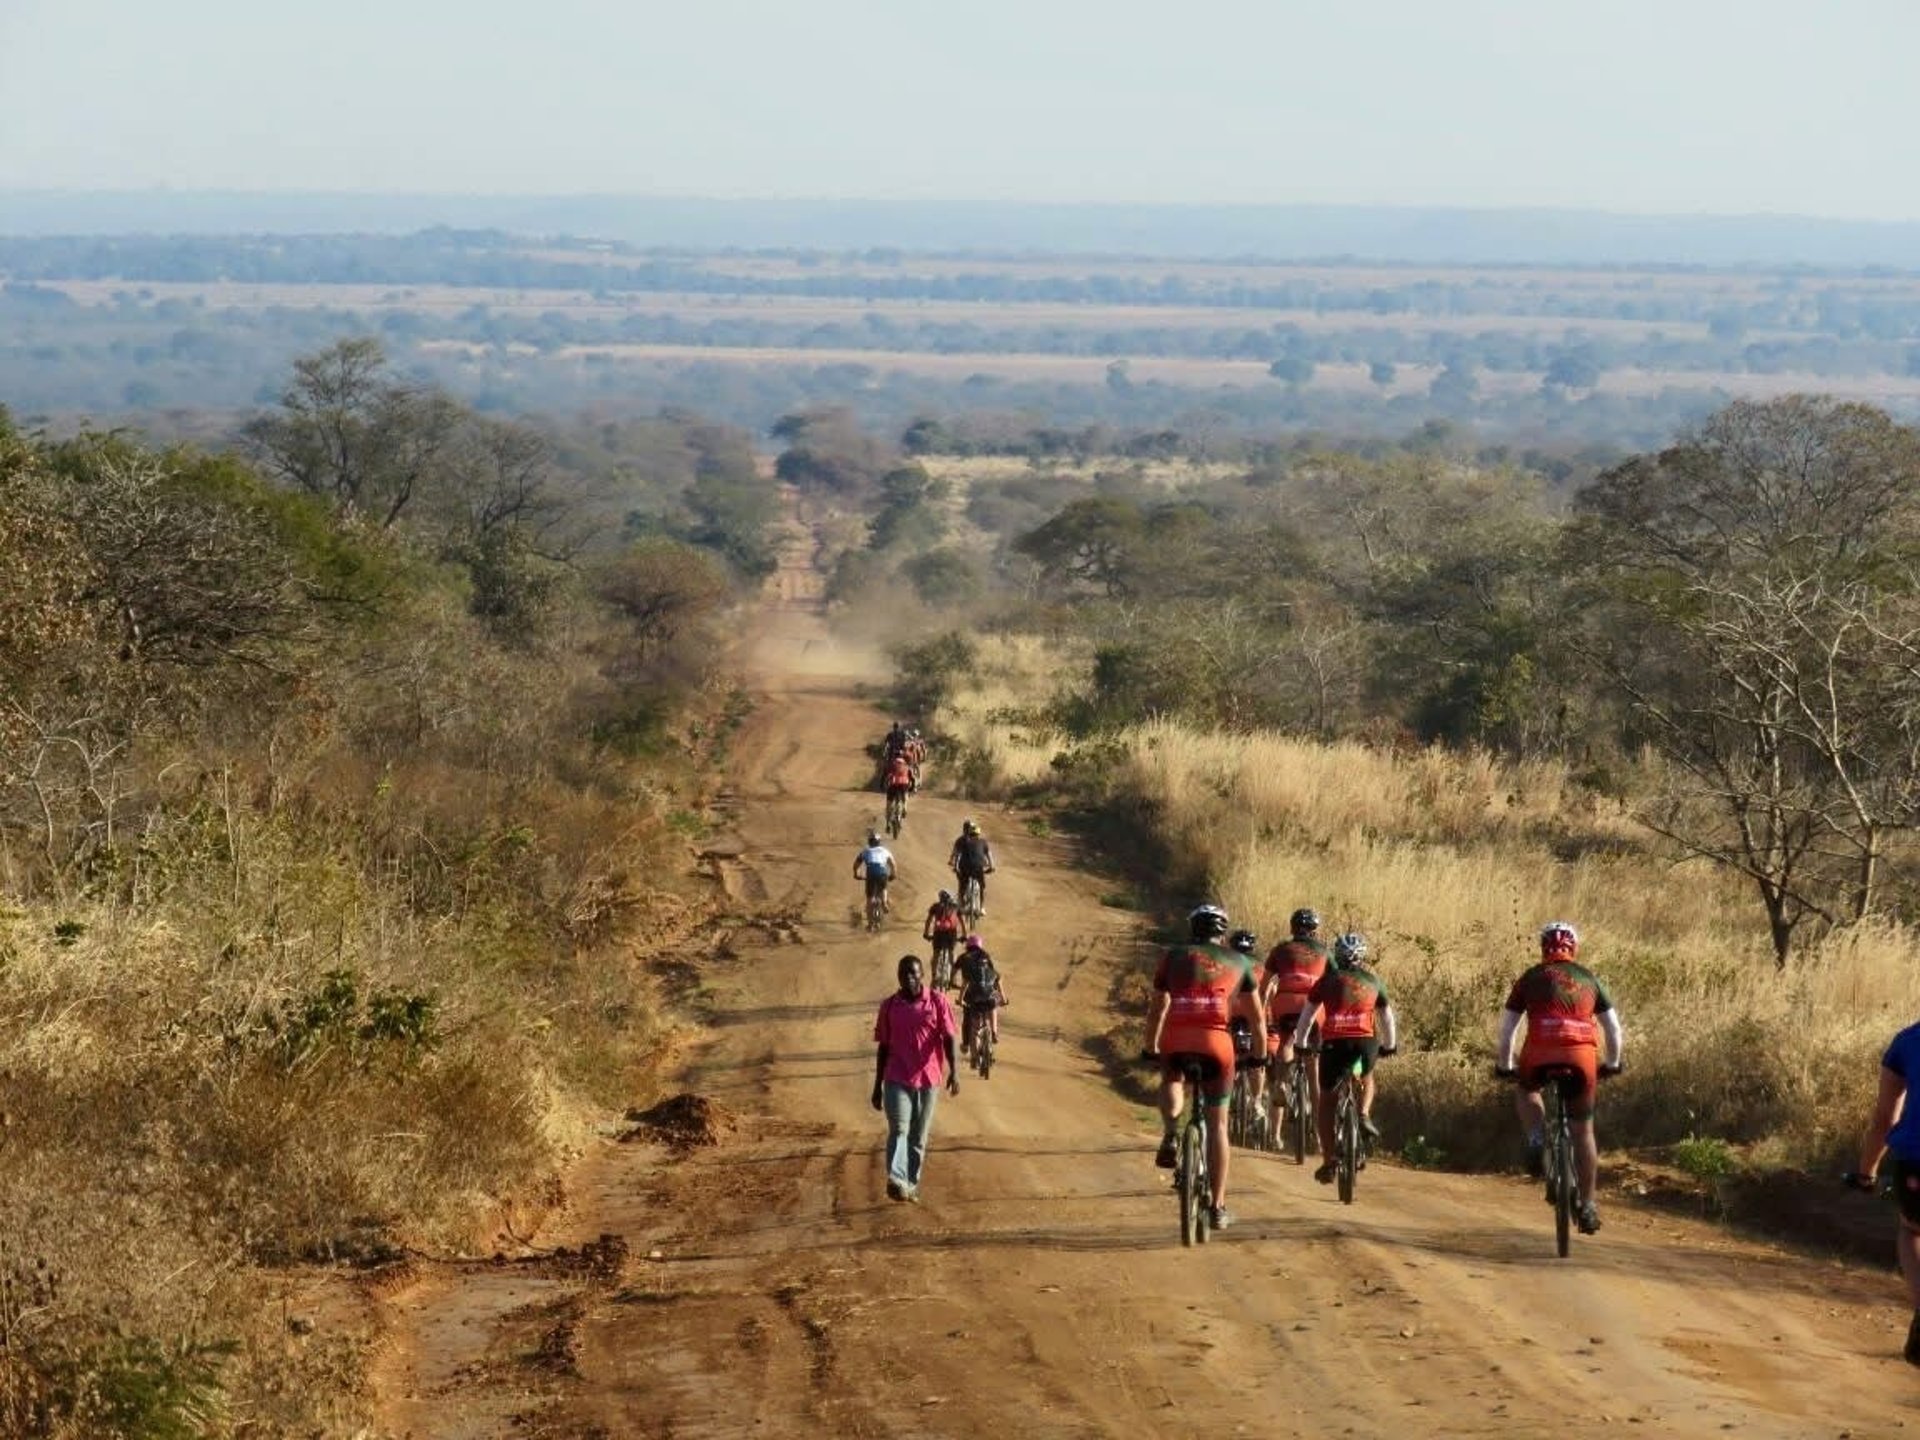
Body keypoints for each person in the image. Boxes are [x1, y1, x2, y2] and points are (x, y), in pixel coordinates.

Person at [1494, 920, 1623, 1236]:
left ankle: (1537, 1138)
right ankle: (1589, 1205)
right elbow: (1613, 1029)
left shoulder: (1530, 978)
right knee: (1583, 1131)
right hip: (1581, 1057)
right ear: (1573, 949)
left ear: (1543, 949)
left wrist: (1504, 1065)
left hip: (1539, 1052)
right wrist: (1613, 1063)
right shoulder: (1589, 979)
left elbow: (1508, 1030)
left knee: (1526, 1090)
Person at [1145, 903, 1267, 1230]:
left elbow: (1157, 1009)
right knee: (1219, 1127)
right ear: (1222, 932)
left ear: (1192, 929)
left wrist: (1150, 1047)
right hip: (1217, 1044)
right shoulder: (1239, 962)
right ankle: (1217, 1206)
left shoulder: (1172, 958)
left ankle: (1171, 1134)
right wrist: (1260, 1056)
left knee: (1172, 1078)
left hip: (1178, 1037)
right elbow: (1257, 1020)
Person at [1293, 931, 1397, 1185]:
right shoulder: (1373, 981)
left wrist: (1300, 1043)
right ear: (1362, 957)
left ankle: (1329, 1161)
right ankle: (1362, 1113)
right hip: (1365, 1044)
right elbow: (1386, 1017)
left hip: (1334, 1045)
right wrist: (1390, 1044)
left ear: (1338, 956)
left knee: (1327, 1102)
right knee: (1367, 1074)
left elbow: (1307, 1017)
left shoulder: (1326, 981)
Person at [1846, 1016, 1920, 1366]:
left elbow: (1884, 1119)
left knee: (1912, 1231)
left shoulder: (1907, 1042)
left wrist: (1866, 1173)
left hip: (1917, 1162)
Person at [871, 954, 959, 1202]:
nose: (909, 977)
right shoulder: (889, 1006)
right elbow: (883, 1047)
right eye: (904, 973)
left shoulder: (938, 1002)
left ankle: (909, 1185)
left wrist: (954, 1071)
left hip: (929, 1078)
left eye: (913, 972)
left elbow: (949, 1038)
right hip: (896, 1077)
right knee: (899, 1128)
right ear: (898, 977)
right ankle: (897, 1179)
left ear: (922, 974)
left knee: (918, 1137)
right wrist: (877, 1086)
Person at [1261, 907, 1330, 1146]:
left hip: (1286, 1000)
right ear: (1315, 931)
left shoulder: (1280, 950)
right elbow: (1337, 984)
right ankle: (1321, 1137)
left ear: (1292, 928)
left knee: (1287, 1040)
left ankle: (1281, 1081)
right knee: (1313, 1071)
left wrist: (1262, 1009)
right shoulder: (1324, 952)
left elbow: (1264, 984)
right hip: (1313, 1005)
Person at [953, 932, 1008, 1053]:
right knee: (993, 1007)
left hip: (971, 995)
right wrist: (1003, 999)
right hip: (989, 994)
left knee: (970, 1020)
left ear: (968, 946)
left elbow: (957, 974)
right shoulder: (986, 958)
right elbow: (996, 976)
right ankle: (994, 1032)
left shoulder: (963, 958)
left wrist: (959, 997)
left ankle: (967, 1045)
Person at [949, 818, 995, 915]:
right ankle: (982, 908)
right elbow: (988, 856)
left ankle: (961, 905)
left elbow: (957, 854)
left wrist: (954, 865)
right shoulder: (983, 842)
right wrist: (992, 866)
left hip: (965, 867)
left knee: (962, 885)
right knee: (982, 887)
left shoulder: (962, 841)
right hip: (979, 868)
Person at [922, 889, 963, 982]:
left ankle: (933, 977)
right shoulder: (955, 907)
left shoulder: (935, 907)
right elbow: (962, 922)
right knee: (951, 953)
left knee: (936, 954)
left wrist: (926, 933)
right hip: (951, 933)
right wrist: (964, 935)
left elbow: (928, 920)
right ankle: (953, 978)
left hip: (938, 933)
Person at [854, 830, 896, 914]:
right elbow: (893, 864)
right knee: (883, 888)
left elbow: (856, 864)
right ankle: (884, 903)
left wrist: (856, 874)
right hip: (882, 872)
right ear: (879, 842)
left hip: (871, 872)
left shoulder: (866, 851)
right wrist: (893, 874)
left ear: (869, 842)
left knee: (870, 897)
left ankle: (870, 923)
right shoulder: (885, 850)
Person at [883, 751, 914, 817]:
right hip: (904, 784)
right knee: (905, 796)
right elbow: (912, 778)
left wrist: (882, 784)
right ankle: (904, 808)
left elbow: (884, 775)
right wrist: (912, 787)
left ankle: (888, 821)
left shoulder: (890, 764)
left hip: (893, 784)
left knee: (889, 802)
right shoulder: (906, 765)